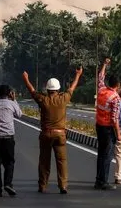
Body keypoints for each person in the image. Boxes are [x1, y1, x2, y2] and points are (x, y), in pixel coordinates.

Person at [22, 66, 83, 194]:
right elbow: (72, 87)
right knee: (62, 162)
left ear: (48, 89)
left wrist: (26, 79)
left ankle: (43, 185)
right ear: (58, 89)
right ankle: (63, 186)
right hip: (60, 135)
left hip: (45, 134)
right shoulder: (63, 99)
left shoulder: (43, 100)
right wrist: (78, 75)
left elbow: (32, 91)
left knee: (44, 161)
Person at [94, 58, 121, 190]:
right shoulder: (115, 98)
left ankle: (98, 180)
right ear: (117, 85)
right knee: (107, 155)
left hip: (99, 126)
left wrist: (104, 65)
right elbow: (114, 119)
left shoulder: (101, 91)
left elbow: (100, 78)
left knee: (101, 154)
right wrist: (119, 135)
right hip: (107, 129)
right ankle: (103, 181)